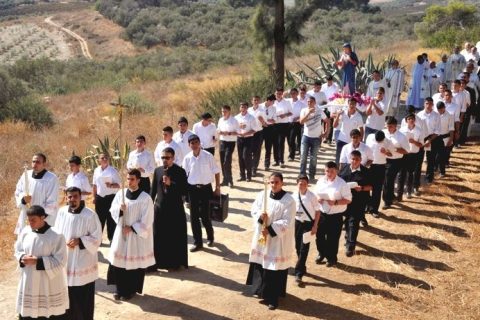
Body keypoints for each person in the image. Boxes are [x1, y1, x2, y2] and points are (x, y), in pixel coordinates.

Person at [246, 172, 295, 310]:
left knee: (273, 267)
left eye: (277, 182)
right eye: (271, 182)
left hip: (276, 240)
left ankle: (273, 297)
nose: (273, 185)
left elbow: (287, 221)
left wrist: (271, 229)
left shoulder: (289, 200)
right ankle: (260, 291)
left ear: (282, 183)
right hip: (262, 236)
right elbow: (254, 209)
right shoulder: (262, 195)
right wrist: (260, 217)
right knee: (261, 263)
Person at [54, 187, 102, 320]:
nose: (72, 199)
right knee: (67, 295)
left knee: (83, 297)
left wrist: (80, 241)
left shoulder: (90, 215)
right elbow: (57, 233)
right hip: (66, 261)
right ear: (66, 197)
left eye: (75, 196)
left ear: (80, 197)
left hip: (83, 262)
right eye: (69, 197)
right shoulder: (62, 212)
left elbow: (97, 238)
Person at [107, 169, 155, 301]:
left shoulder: (145, 198)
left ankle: (130, 290)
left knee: (132, 264)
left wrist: (133, 228)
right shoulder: (120, 194)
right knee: (118, 261)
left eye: (132, 179)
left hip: (135, 236)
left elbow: (148, 219)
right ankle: (119, 289)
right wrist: (120, 210)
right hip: (121, 233)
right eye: (128, 179)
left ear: (138, 180)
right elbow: (112, 210)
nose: (129, 181)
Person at [15, 205, 69, 319]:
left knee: (46, 313)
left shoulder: (56, 236)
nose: (30, 223)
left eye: (33, 220)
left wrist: (37, 261)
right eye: (28, 220)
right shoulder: (25, 232)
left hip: (48, 283)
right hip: (29, 278)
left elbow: (61, 260)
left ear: (42, 217)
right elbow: (18, 249)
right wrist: (22, 257)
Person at [150, 148, 188, 271]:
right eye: (163, 158)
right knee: (158, 236)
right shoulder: (158, 171)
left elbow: (184, 191)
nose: (164, 160)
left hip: (174, 209)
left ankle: (174, 262)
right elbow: (153, 191)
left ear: (173, 158)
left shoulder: (180, 171)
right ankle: (159, 262)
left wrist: (171, 184)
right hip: (160, 209)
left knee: (173, 236)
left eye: (167, 157)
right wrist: (149, 206)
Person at [182, 134, 221, 252]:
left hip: (206, 189)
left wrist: (217, 187)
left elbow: (216, 171)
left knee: (205, 215)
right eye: (192, 143)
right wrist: (184, 194)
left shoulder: (208, 156)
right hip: (192, 190)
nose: (194, 145)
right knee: (194, 217)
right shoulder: (187, 158)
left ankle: (210, 236)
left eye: (196, 142)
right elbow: (184, 176)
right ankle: (198, 242)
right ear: (189, 145)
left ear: (199, 143)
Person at [314, 161, 352, 267]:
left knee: (333, 238)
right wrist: (318, 198)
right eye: (327, 171)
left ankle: (331, 258)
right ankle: (321, 253)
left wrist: (335, 202)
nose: (329, 173)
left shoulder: (342, 184)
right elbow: (315, 193)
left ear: (336, 171)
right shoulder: (320, 181)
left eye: (331, 171)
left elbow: (348, 200)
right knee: (320, 236)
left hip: (335, 216)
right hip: (322, 214)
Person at [14, 153, 59, 235]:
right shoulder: (26, 174)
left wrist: (38, 218)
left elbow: (52, 201)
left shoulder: (51, 178)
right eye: (33, 161)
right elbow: (18, 191)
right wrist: (23, 200)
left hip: (43, 219)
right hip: (26, 215)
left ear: (44, 164)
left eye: (38, 162)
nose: (35, 164)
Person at [339, 151, 372, 256]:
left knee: (354, 222)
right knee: (347, 220)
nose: (354, 161)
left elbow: (371, 187)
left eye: (357, 159)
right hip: (345, 201)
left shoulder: (366, 172)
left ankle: (350, 246)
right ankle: (348, 236)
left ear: (360, 160)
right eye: (352, 159)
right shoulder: (344, 169)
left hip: (359, 201)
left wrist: (361, 188)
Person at [292, 176, 320, 286]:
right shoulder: (294, 195)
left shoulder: (312, 196)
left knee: (304, 248)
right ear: (297, 184)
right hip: (297, 223)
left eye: (304, 183)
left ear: (307, 184)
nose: (302, 185)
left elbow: (318, 211)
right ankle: (302, 267)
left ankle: (298, 273)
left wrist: (315, 226)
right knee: (298, 247)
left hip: (308, 224)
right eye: (300, 183)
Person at [92, 153, 121, 243]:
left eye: (106, 158)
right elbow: (94, 185)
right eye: (102, 158)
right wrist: (94, 197)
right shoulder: (96, 170)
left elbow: (118, 185)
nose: (104, 159)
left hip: (111, 198)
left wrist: (111, 185)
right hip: (100, 198)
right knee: (99, 219)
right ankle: (98, 240)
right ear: (99, 160)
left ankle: (111, 239)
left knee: (111, 219)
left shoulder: (113, 171)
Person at [299, 96, 329, 181]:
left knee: (313, 158)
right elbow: (301, 122)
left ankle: (311, 175)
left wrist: (326, 132)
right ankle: (302, 174)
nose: (309, 103)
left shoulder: (319, 111)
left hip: (316, 138)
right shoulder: (304, 110)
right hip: (306, 137)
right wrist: (308, 113)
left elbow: (327, 121)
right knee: (303, 156)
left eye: (311, 102)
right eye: (308, 102)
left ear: (315, 103)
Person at [365, 131, 393, 219]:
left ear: (383, 139)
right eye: (377, 140)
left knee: (377, 189)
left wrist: (386, 152)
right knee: (366, 187)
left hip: (380, 167)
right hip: (369, 166)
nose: (377, 142)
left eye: (379, 141)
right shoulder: (369, 137)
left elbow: (391, 154)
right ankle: (367, 206)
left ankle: (374, 210)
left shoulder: (387, 142)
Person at [382, 118, 409, 209]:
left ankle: (387, 201)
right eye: (387, 126)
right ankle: (391, 197)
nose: (388, 128)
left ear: (396, 126)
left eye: (391, 126)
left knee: (388, 179)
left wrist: (395, 149)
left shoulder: (401, 136)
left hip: (396, 161)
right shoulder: (383, 133)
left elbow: (406, 151)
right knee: (386, 180)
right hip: (384, 159)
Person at [399, 114, 425, 198]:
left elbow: (421, 145)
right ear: (406, 121)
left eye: (412, 119)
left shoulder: (419, 130)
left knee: (410, 173)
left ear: (415, 120)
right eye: (409, 119)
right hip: (404, 153)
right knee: (402, 173)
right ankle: (400, 192)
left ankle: (409, 191)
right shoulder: (402, 130)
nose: (411, 120)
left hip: (413, 154)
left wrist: (414, 142)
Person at [333, 98, 364, 165]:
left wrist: (360, 140)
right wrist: (338, 115)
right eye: (350, 104)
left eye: (353, 104)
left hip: (352, 142)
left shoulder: (358, 116)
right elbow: (335, 125)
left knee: (349, 161)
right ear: (348, 104)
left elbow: (361, 129)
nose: (352, 105)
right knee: (338, 159)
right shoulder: (343, 113)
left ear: (356, 105)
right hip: (341, 139)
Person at [417, 98, 441, 183]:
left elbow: (437, 131)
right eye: (427, 103)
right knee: (419, 160)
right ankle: (417, 178)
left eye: (430, 104)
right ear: (424, 104)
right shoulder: (419, 115)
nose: (428, 105)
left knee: (431, 159)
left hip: (432, 138)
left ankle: (429, 178)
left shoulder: (436, 115)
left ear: (433, 105)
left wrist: (429, 140)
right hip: (421, 138)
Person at [217, 105, 238, 187]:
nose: (223, 113)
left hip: (230, 142)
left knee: (227, 161)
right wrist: (220, 132)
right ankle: (225, 180)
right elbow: (218, 129)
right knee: (222, 161)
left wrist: (228, 133)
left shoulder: (234, 120)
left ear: (229, 111)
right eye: (222, 111)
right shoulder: (220, 120)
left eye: (225, 111)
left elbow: (238, 132)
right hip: (222, 141)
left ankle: (230, 180)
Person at [235, 102, 256, 182]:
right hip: (239, 139)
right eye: (241, 107)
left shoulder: (251, 117)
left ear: (247, 108)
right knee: (240, 157)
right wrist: (238, 127)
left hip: (248, 139)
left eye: (244, 107)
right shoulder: (236, 117)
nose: (243, 108)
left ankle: (249, 175)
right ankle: (242, 175)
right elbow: (234, 128)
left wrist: (245, 133)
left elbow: (254, 130)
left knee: (246, 156)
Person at [273, 88, 293, 168]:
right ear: (275, 94)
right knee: (275, 143)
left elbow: (291, 113)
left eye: (280, 93)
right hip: (274, 124)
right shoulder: (272, 102)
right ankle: (276, 160)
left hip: (284, 124)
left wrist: (284, 115)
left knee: (281, 142)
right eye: (277, 93)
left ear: (282, 94)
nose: (278, 95)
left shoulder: (287, 102)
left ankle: (281, 160)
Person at [248, 96, 267, 176]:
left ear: (259, 101)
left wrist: (262, 121)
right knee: (249, 151)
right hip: (249, 133)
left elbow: (265, 124)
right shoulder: (248, 110)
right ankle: (249, 167)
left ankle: (254, 169)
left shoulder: (262, 110)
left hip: (258, 133)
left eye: (257, 100)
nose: (256, 101)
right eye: (254, 100)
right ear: (252, 101)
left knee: (256, 152)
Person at [287, 88, 306, 161]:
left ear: (297, 94)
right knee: (290, 140)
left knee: (298, 139)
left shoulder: (301, 104)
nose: (293, 95)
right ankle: (292, 152)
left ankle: (296, 155)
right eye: (291, 93)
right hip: (288, 123)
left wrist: (298, 117)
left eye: (294, 93)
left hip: (297, 123)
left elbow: (304, 114)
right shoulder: (288, 101)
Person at [436, 102, 455, 178]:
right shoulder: (435, 115)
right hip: (436, 137)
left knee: (442, 156)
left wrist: (451, 139)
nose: (440, 111)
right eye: (438, 110)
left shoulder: (449, 116)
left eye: (441, 109)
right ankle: (434, 168)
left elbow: (451, 128)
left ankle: (442, 171)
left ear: (444, 107)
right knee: (435, 155)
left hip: (445, 138)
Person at [262, 94, 277, 170]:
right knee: (257, 147)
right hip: (261, 129)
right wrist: (266, 120)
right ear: (269, 100)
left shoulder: (273, 108)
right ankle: (254, 165)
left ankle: (266, 164)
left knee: (268, 147)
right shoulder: (260, 107)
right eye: (273, 101)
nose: (274, 103)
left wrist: (266, 120)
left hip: (269, 128)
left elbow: (274, 119)